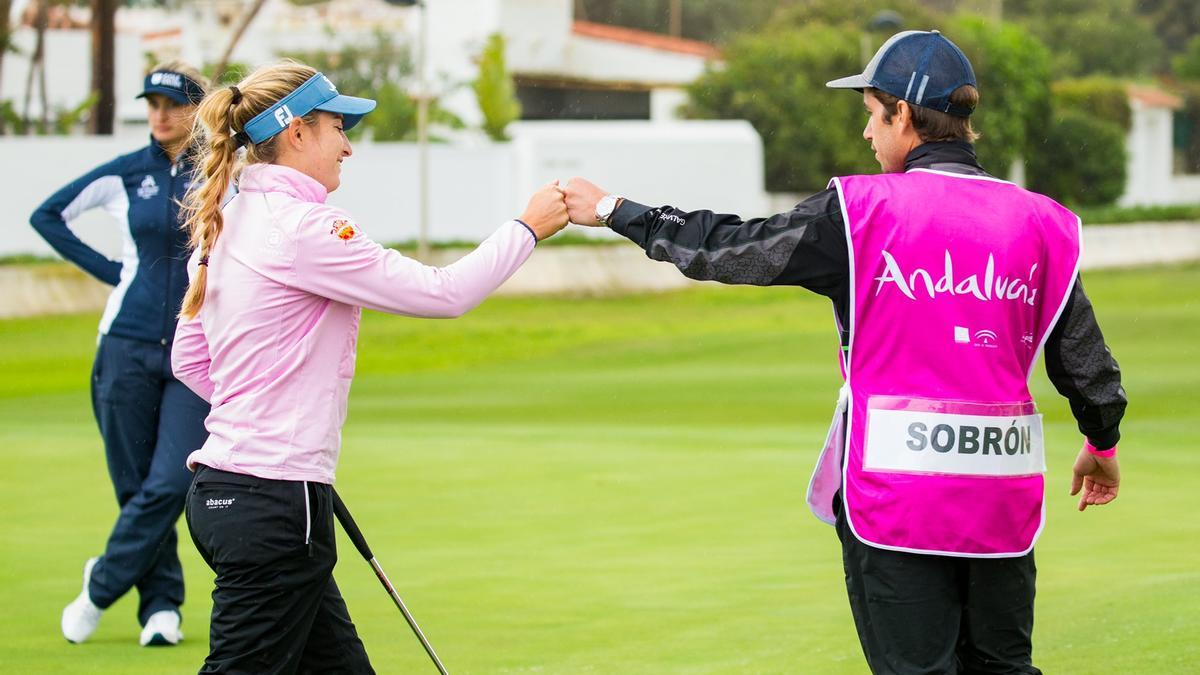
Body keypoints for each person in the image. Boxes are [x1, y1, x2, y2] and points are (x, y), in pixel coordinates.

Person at [562, 30, 1126, 674]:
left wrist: (614, 210)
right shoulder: (1042, 222)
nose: (868, 136)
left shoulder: (860, 213)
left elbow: (728, 249)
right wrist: (1101, 444)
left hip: (895, 504)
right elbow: (1085, 361)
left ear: (904, 115)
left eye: (871, 116)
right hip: (1000, 506)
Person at [170, 60, 568, 673]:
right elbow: (443, 294)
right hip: (274, 503)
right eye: (337, 127)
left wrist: (274, 428)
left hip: (227, 492)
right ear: (297, 132)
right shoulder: (307, 228)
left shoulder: (226, 222)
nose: (348, 146)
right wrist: (528, 228)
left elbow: (191, 359)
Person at [31, 61, 212, 647]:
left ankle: (99, 586)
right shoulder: (129, 173)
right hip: (125, 349)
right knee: (135, 490)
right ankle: (161, 609)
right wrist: (113, 272)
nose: (160, 114)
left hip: (193, 353)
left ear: (197, 109)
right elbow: (47, 216)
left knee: (168, 485)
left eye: (172, 104)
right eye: (152, 104)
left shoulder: (221, 170)